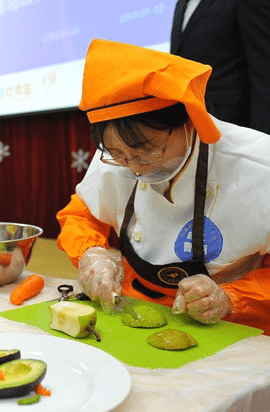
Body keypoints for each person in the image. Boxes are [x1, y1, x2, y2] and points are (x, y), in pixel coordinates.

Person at [56, 39, 270, 335]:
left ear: (190, 120)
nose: (133, 168)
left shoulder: (258, 166)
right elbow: (80, 215)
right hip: (133, 307)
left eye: (146, 152)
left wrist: (232, 298)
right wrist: (91, 252)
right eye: (119, 155)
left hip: (233, 325)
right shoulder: (118, 155)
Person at [170, 0, 270, 134]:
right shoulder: (182, 4)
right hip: (197, 131)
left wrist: (263, 140)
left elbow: (264, 74)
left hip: (238, 131)